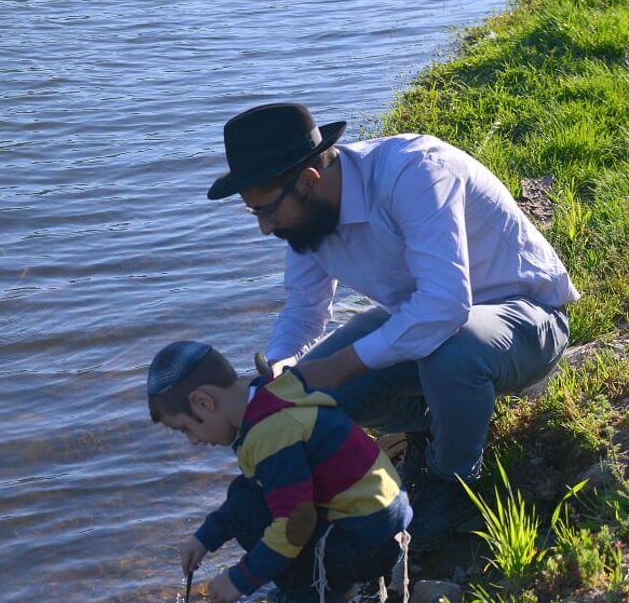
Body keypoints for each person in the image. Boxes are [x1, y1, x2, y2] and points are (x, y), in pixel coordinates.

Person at [204, 102, 579, 551]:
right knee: (306, 398)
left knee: (449, 353)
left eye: (265, 211)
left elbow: (445, 306)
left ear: (308, 180)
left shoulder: (414, 174)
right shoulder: (307, 216)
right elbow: (305, 308)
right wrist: (285, 360)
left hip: (526, 317)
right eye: (254, 214)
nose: (265, 228)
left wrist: (343, 364)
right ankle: (433, 428)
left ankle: (453, 483)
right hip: (426, 325)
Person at [148, 340, 411, 603]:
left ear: (203, 402)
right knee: (247, 493)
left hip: (369, 547)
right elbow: (252, 490)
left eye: (186, 428)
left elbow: (295, 524)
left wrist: (241, 578)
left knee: (255, 518)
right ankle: (329, 582)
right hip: (375, 529)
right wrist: (206, 538)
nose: (193, 440)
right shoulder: (269, 397)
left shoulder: (269, 434)